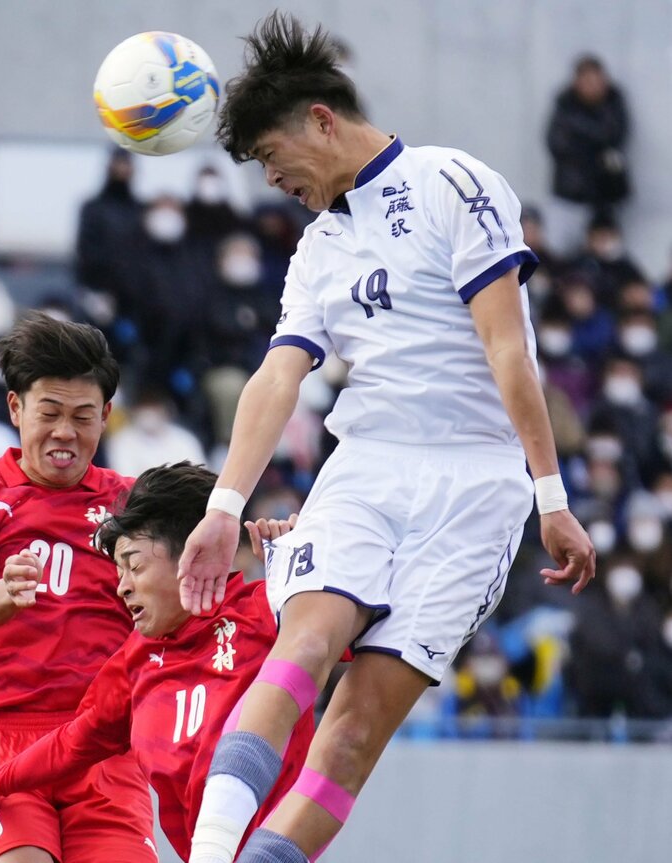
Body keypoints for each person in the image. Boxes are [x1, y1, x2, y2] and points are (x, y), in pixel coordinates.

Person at [176, 13, 595, 863]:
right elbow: (277, 377)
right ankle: (210, 851)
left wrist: (550, 495)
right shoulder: (317, 248)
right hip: (366, 468)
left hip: (476, 487)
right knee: (305, 643)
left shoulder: (453, 182)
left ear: (320, 120)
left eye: (272, 158)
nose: (273, 181)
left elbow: (506, 350)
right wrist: (224, 506)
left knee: (352, 735)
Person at [0, 462, 315, 862]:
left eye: (135, 566)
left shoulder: (266, 611)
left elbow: (343, 637)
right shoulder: (136, 660)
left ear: (195, 554)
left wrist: (304, 579)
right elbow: (71, 743)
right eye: (119, 571)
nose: (122, 587)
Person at [0, 311, 157, 863]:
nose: (64, 432)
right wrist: (7, 590)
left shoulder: (135, 505)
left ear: (106, 417)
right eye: (49, 413)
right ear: (16, 409)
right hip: (0, 740)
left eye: (82, 416)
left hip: (102, 747)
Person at [545, 55, 631, 253]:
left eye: (596, 80)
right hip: (571, 194)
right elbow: (558, 144)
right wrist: (594, 145)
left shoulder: (614, 102)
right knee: (562, 251)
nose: (592, 86)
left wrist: (581, 135)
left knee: (607, 254)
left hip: (606, 196)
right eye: (587, 81)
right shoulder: (565, 104)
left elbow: (615, 135)